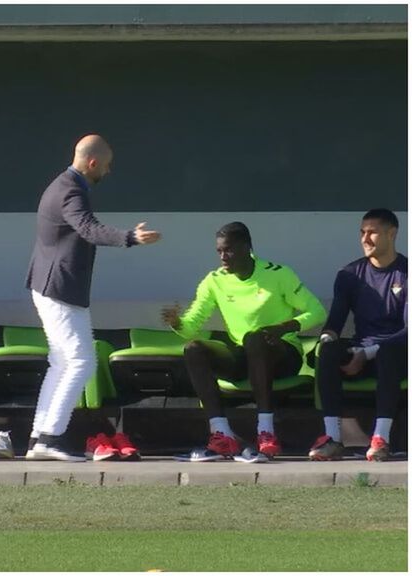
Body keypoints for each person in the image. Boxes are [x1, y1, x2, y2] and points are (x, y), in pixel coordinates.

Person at [24, 134, 161, 461]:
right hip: (59, 287)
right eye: (107, 166)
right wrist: (130, 237)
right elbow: (88, 229)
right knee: (81, 361)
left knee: (61, 362)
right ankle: (50, 439)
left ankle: (39, 439)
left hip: (52, 286)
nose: (108, 172)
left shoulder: (62, 185)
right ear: (93, 162)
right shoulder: (70, 191)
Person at [162, 222, 327, 461]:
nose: (223, 257)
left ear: (247, 247)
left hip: (283, 355)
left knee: (254, 339)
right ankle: (222, 434)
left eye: (228, 250)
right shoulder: (214, 280)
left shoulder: (278, 274)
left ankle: (266, 432)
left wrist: (283, 328)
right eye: (219, 251)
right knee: (194, 349)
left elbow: (317, 311)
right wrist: (177, 323)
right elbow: (191, 328)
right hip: (245, 355)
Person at [309, 209, 407, 462]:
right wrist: (327, 339)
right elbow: (335, 322)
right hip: (360, 353)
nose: (365, 238)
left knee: (388, 352)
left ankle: (380, 439)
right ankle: (332, 438)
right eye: (362, 232)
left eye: (372, 232)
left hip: (397, 355)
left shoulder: (406, 272)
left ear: (392, 234)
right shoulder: (349, 274)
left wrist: (369, 352)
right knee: (328, 351)